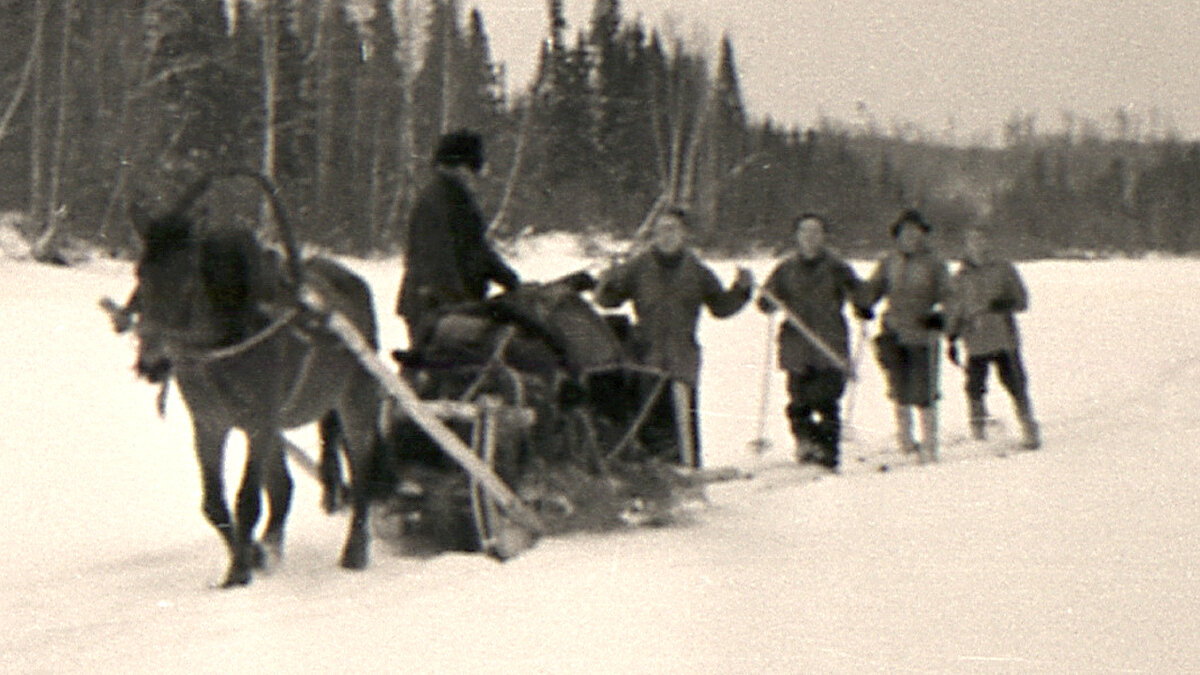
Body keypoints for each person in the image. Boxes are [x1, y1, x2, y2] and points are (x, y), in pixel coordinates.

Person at [595, 206, 754, 467]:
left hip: (682, 356)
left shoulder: (697, 271)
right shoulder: (638, 267)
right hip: (645, 356)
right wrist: (606, 281)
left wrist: (741, 291)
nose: (665, 235)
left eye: (672, 229)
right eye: (660, 230)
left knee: (682, 424)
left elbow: (720, 307)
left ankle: (687, 473)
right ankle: (650, 478)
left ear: (684, 234)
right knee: (647, 421)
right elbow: (608, 300)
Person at [757, 214, 866, 472]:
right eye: (804, 231)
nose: (810, 237)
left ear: (823, 236)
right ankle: (806, 444)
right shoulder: (785, 269)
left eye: (815, 232)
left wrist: (863, 305)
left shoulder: (837, 268)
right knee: (799, 401)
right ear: (797, 236)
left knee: (826, 399)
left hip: (830, 345)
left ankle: (827, 452)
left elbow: (859, 293)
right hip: (797, 347)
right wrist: (767, 301)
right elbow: (765, 301)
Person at [396, 129, 520, 346]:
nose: (474, 177)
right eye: (471, 169)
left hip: (448, 307)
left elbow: (477, 250)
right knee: (441, 371)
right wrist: (458, 304)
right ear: (458, 166)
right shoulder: (438, 201)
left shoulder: (456, 198)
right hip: (435, 308)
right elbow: (437, 261)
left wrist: (510, 281)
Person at [858, 209, 952, 463]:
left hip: (923, 333)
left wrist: (942, 317)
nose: (910, 237)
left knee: (925, 391)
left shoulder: (934, 263)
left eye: (915, 232)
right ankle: (906, 440)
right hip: (894, 332)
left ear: (923, 234)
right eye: (904, 232)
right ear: (897, 236)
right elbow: (873, 288)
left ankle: (930, 444)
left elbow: (950, 296)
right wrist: (863, 303)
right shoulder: (889, 262)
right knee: (898, 388)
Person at [947, 227, 1041, 449]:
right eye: (972, 242)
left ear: (988, 243)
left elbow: (1022, 300)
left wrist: (1005, 304)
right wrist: (951, 336)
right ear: (966, 246)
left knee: (1015, 383)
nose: (977, 246)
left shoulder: (1003, 269)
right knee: (974, 387)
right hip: (975, 341)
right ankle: (978, 432)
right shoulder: (960, 277)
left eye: (981, 240)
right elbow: (954, 309)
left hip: (1003, 337)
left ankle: (1028, 428)